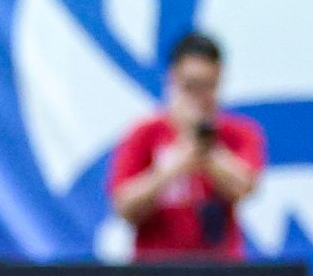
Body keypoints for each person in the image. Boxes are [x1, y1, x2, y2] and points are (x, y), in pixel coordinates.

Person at [106, 31, 264, 260]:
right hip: (156, 267)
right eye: (191, 86)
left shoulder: (239, 133)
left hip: (219, 266)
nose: (199, 97)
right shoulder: (144, 134)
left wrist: (203, 145)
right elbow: (123, 206)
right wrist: (169, 169)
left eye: (208, 86)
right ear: (172, 79)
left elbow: (245, 187)